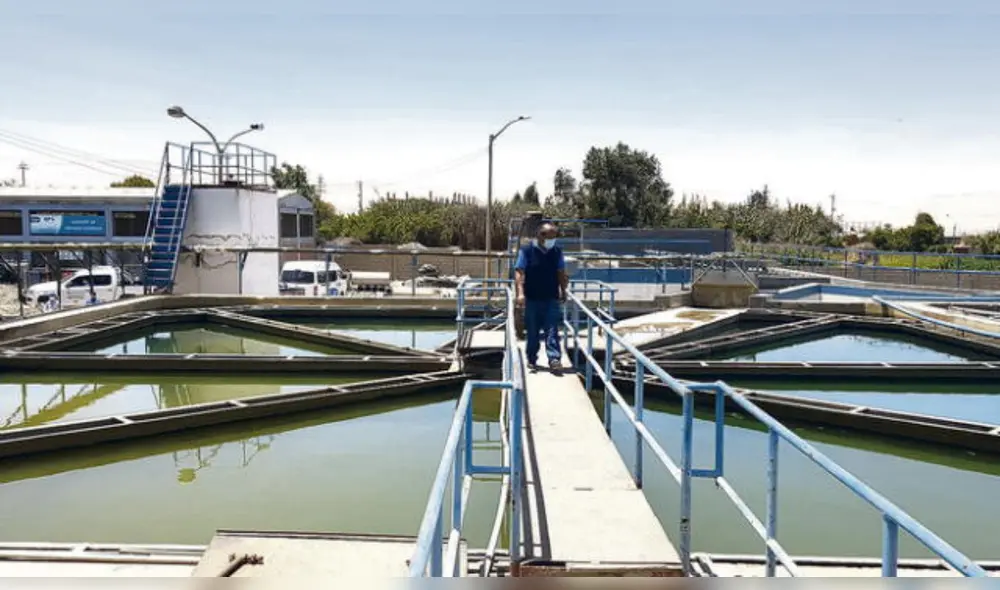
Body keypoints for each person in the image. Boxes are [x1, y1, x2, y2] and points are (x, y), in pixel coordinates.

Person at [514, 222, 569, 370]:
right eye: (550, 237)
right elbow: (519, 272)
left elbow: (561, 272)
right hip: (532, 298)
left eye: (554, 237)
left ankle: (554, 359)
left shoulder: (557, 252)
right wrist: (520, 293)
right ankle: (532, 358)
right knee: (532, 331)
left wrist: (563, 291)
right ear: (540, 236)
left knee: (552, 328)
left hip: (551, 297)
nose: (552, 240)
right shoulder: (526, 251)